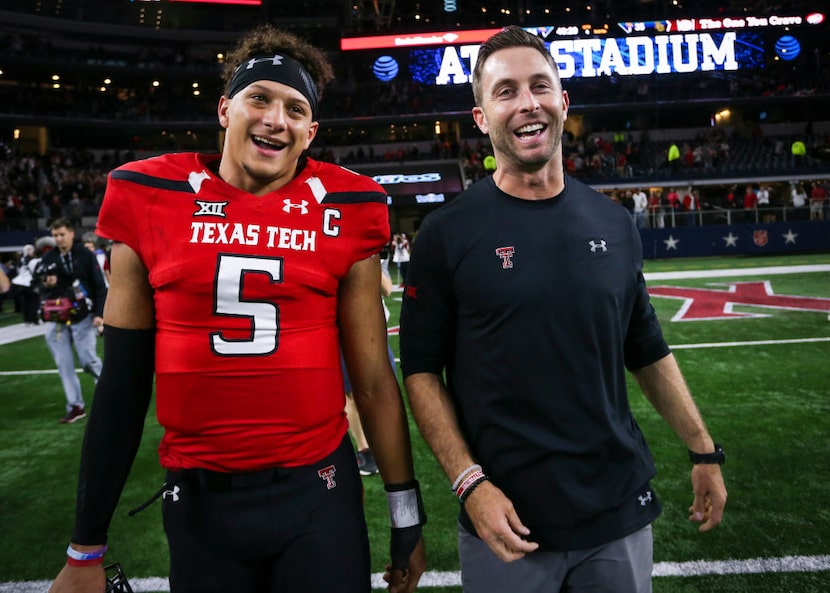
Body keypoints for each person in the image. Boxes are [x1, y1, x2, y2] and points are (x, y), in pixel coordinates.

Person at [49, 24, 425, 593]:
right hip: (201, 501)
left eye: (295, 108)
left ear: (311, 132)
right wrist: (84, 549)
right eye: (260, 98)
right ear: (225, 109)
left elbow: (372, 382)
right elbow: (123, 386)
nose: (277, 118)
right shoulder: (151, 196)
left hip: (317, 493)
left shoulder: (350, 206)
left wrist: (405, 514)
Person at [399, 26, 726, 593]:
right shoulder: (445, 234)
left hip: (617, 510)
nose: (527, 103)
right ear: (481, 118)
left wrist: (703, 448)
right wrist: (469, 484)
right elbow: (422, 371)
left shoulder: (615, 223)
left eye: (540, 86)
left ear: (563, 102)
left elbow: (645, 347)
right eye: (505, 91)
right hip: (506, 524)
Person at [38, 218, 107, 424]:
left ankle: (109, 390)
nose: (58, 239)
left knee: (87, 360)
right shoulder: (49, 257)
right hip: (58, 318)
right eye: (55, 235)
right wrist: (47, 285)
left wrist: (99, 313)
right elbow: (41, 288)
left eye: (61, 234)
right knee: (64, 365)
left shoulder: (85, 255)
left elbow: (99, 287)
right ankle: (75, 406)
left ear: (71, 233)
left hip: (83, 316)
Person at [343, 268, 397, 476]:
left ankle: (382, 448)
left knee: (384, 394)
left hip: (375, 333)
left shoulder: (369, 253)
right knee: (350, 396)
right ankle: (364, 450)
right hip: (344, 332)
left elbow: (387, 289)